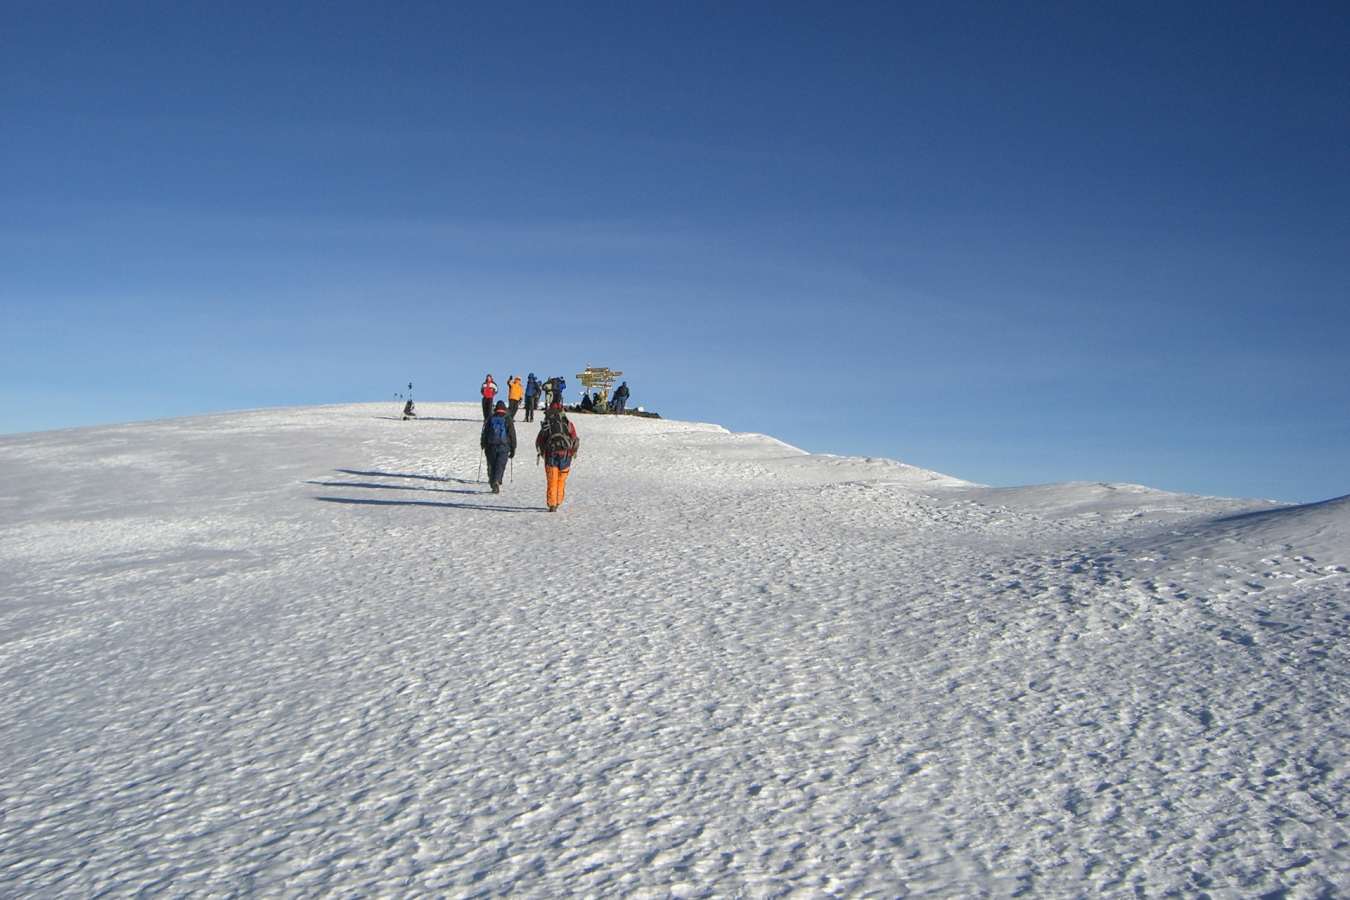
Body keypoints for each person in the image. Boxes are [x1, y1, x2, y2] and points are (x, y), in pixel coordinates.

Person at [535, 401, 579, 512]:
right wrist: (573, 452)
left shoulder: (547, 423)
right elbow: (575, 439)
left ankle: (552, 504)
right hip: (566, 455)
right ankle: (558, 501)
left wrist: (542, 453)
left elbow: (540, 440)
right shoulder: (568, 423)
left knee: (552, 480)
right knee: (561, 480)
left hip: (551, 455)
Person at [480, 400, 517, 493]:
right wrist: (513, 448)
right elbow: (512, 434)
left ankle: (493, 482)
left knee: (492, 464)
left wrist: (483, 443)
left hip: (491, 445)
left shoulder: (491, 417)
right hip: (504, 446)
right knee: (500, 465)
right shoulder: (507, 418)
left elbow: (485, 432)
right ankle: (496, 481)